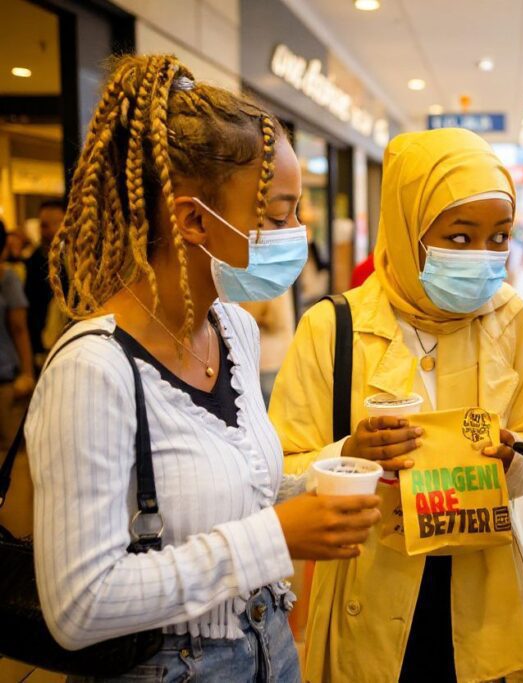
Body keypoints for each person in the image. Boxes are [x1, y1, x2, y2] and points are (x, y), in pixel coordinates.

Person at [24, 54, 381, 682]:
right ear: (193, 219)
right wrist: (275, 538)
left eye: (297, 213)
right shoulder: (92, 371)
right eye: (275, 216)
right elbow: (78, 606)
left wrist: (336, 467)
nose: (296, 234)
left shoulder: (232, 327)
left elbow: (238, 491)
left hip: (270, 644)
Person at [269, 128, 523, 683]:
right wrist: (349, 456)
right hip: (367, 594)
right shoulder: (333, 327)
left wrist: (515, 457)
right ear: (406, 227)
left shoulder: (510, 319)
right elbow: (275, 472)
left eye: (500, 238)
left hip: (482, 597)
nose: (484, 257)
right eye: (460, 238)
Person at [0, 227, 33, 452]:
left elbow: (19, 328)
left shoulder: (6, 278)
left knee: (11, 453)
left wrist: (27, 374)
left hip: (5, 379)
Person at [23, 199, 64, 364]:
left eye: (47, 225)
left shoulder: (77, 261)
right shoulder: (33, 262)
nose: (43, 230)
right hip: (42, 345)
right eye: (42, 225)